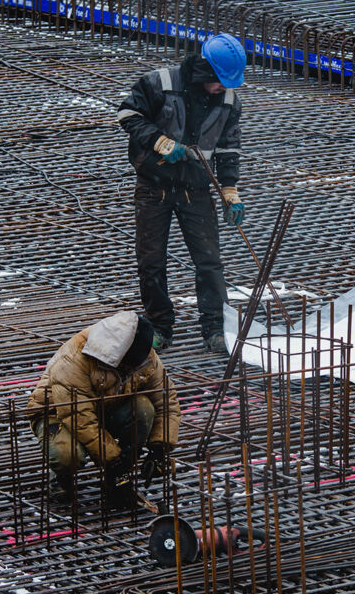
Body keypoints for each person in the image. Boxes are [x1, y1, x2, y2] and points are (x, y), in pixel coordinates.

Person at [117, 33, 247, 355]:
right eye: (220, 81)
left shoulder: (229, 102)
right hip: (154, 186)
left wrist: (229, 188)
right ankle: (160, 327)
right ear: (205, 70)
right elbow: (128, 115)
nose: (224, 88)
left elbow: (228, 148)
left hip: (197, 189)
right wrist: (159, 141)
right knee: (151, 262)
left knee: (209, 262)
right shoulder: (159, 83)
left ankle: (215, 329)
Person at [25, 311, 181, 508]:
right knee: (67, 454)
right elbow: (79, 418)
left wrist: (159, 447)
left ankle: (117, 478)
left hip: (105, 407)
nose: (129, 370)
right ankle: (62, 478)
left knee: (144, 409)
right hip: (57, 413)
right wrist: (111, 459)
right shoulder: (74, 359)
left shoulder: (146, 358)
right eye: (126, 365)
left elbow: (167, 403)